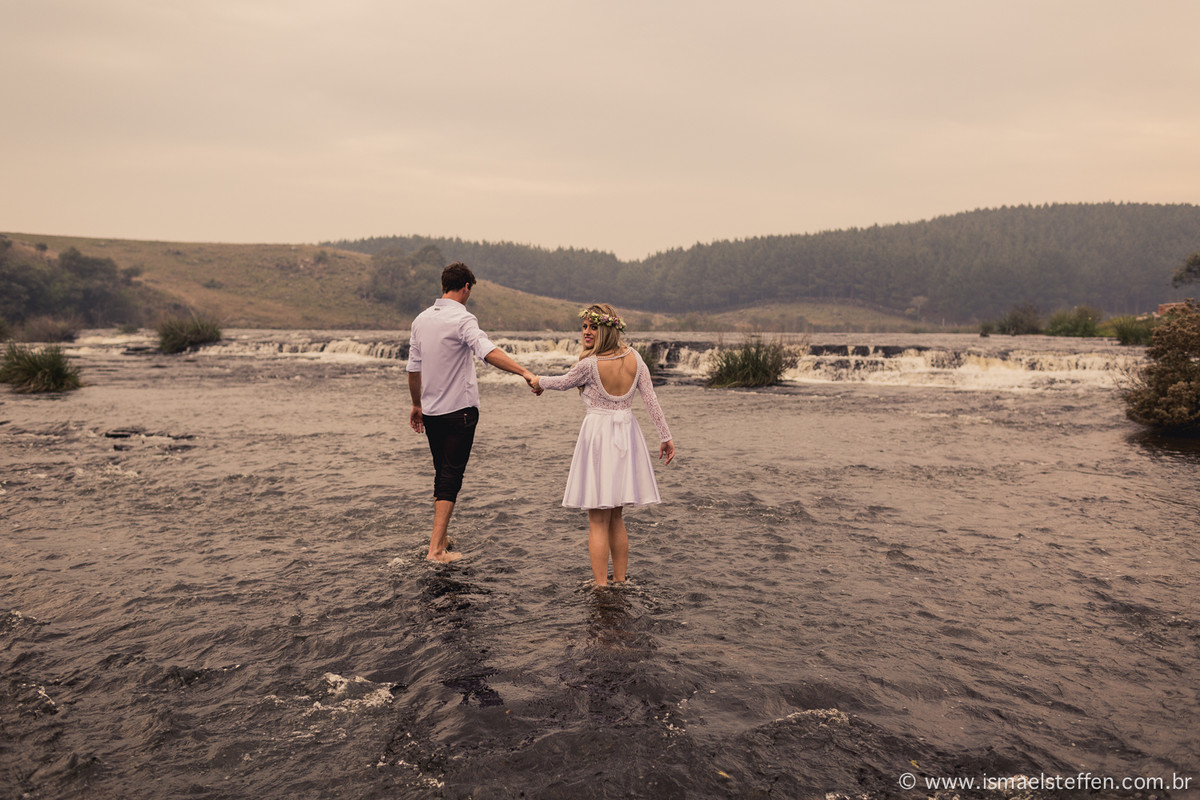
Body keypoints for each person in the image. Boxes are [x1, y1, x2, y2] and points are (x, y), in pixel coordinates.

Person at [531, 303, 676, 586]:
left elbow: (563, 382)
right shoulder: (635, 358)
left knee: (598, 519)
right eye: (584, 326)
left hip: (599, 436)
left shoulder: (589, 365)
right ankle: (620, 580)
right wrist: (665, 437)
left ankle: (601, 586)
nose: (586, 331)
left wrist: (538, 381)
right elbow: (651, 400)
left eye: (593, 327)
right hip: (626, 436)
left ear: (607, 329)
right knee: (616, 517)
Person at [407, 262, 540, 563]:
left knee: (442, 472)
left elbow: (413, 369)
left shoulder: (420, 320)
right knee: (451, 476)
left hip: (432, 411)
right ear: (466, 287)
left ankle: (441, 538)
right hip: (460, 412)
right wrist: (524, 372)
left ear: (443, 285)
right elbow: (487, 351)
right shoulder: (462, 318)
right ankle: (435, 551)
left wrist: (416, 404)